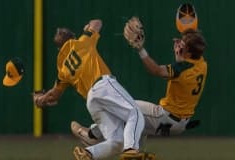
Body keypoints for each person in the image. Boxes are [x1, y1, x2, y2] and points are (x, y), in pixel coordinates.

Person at [70, 28, 207, 145]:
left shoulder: (182, 69)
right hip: (181, 123)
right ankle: (134, 154)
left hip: (164, 117)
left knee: (126, 107)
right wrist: (183, 51)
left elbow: (156, 70)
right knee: (137, 128)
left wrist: (140, 49)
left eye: (182, 45)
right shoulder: (202, 64)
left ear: (188, 53)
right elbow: (186, 66)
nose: (178, 45)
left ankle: (91, 135)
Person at [33, 19, 145, 160]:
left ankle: (89, 153)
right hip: (103, 85)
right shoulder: (81, 42)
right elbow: (97, 22)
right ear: (72, 38)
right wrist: (87, 27)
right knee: (134, 113)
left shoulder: (62, 70)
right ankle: (131, 151)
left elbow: (53, 96)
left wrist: (39, 100)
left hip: (92, 101)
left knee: (117, 142)